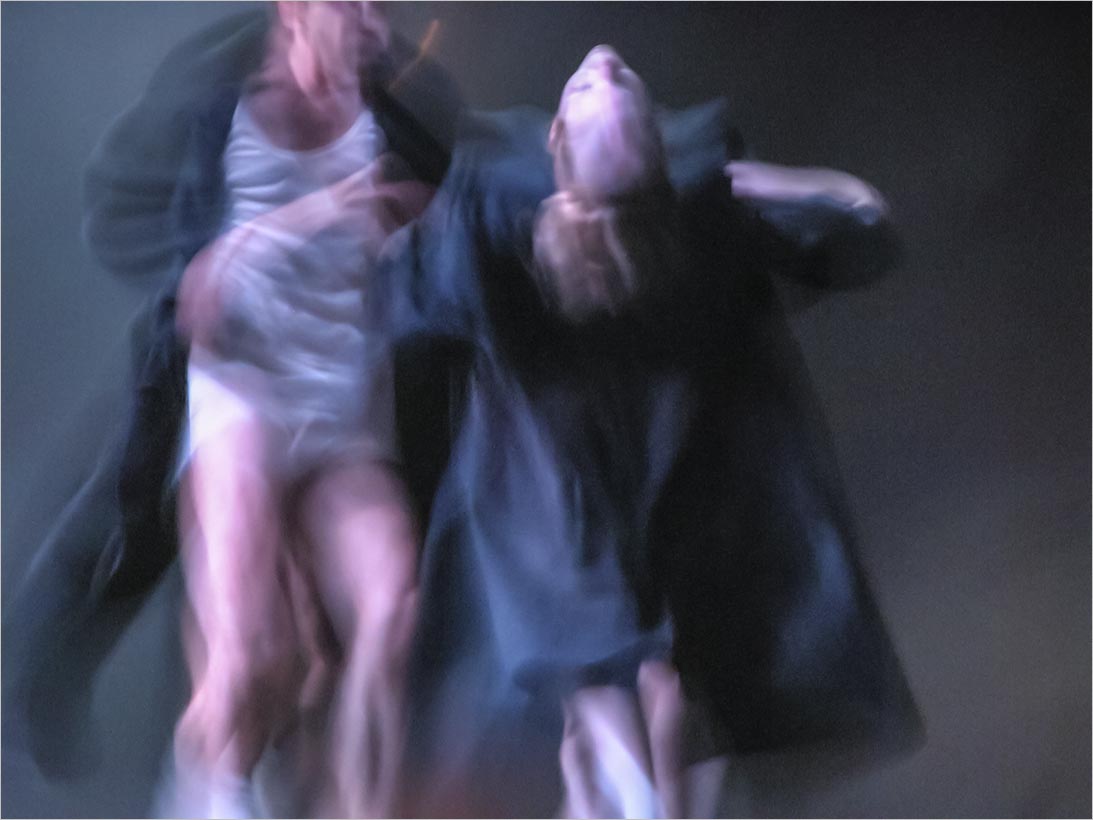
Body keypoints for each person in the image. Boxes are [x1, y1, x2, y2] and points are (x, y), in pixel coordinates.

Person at [381, 45, 920, 817]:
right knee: (613, 682)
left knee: (656, 686)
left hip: (631, 481)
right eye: (597, 82)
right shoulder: (652, 193)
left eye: (607, 82)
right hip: (575, 486)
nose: (603, 58)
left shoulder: (664, 190)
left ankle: (633, 795)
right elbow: (858, 224)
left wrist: (781, 186)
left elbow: (412, 297)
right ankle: (628, 794)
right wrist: (787, 185)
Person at [1, 5, 462, 817]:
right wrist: (286, 227)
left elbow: (459, 208)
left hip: (345, 410)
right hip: (241, 391)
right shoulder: (221, 100)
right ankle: (187, 781)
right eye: (347, 4)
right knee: (245, 649)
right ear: (295, 12)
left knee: (392, 610)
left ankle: (348, 800)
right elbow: (170, 254)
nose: (368, 21)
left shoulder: (405, 116)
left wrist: (411, 232)